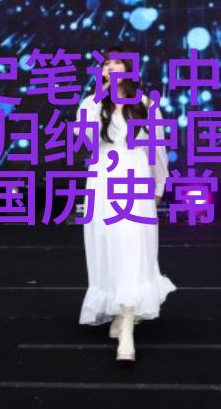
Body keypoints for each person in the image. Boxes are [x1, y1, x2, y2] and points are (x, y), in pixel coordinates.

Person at [75, 47, 175, 363]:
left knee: (133, 248)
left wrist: (159, 184)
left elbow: (156, 148)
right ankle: (121, 313)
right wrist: (99, 96)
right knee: (109, 247)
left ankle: (128, 329)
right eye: (106, 63)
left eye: (118, 62)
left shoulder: (146, 104)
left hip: (135, 181)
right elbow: (84, 140)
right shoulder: (90, 104)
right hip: (103, 180)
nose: (111, 67)